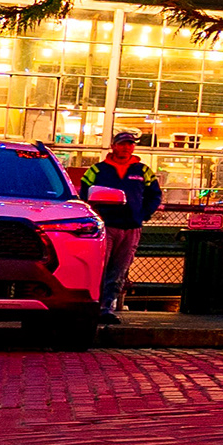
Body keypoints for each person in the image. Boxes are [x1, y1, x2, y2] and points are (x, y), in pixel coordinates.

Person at [80, 130, 163, 320]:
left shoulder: (143, 171)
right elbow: (83, 194)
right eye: (122, 144)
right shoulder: (97, 170)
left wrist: (142, 214)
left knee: (120, 269)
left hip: (131, 228)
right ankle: (93, 305)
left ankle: (107, 306)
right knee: (100, 267)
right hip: (105, 226)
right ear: (113, 146)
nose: (126, 147)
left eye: (130, 144)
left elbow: (155, 195)